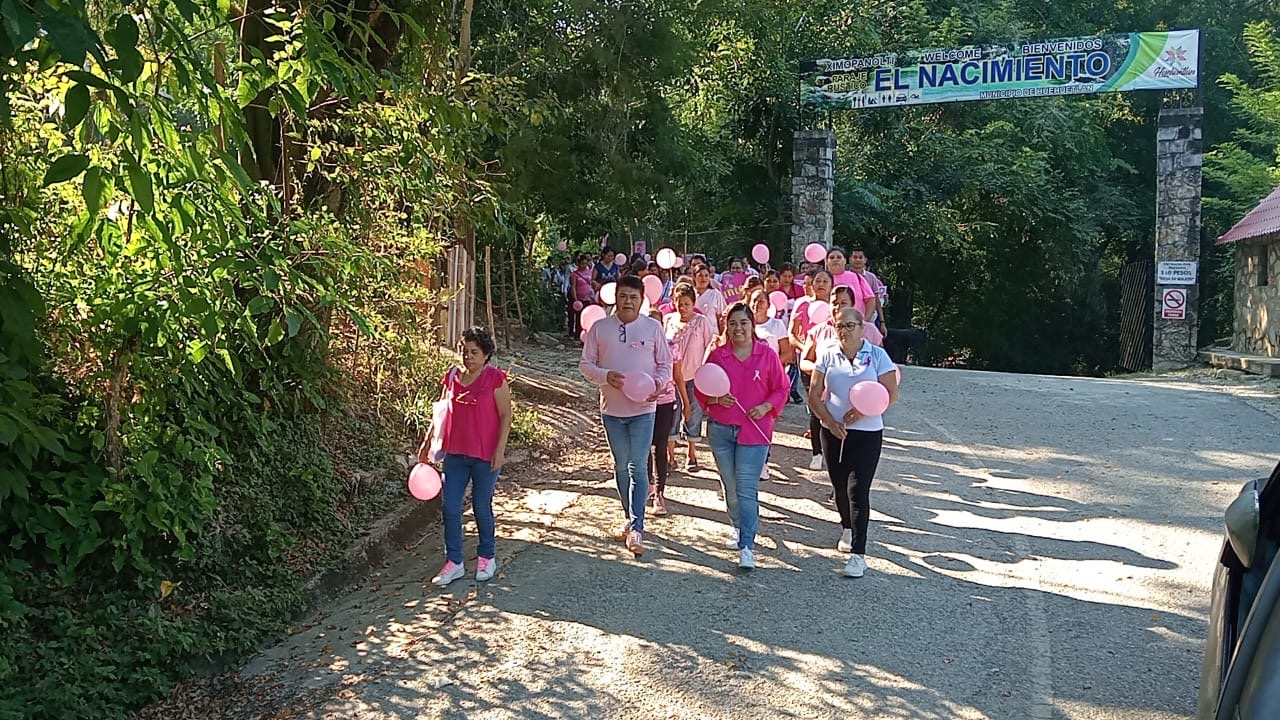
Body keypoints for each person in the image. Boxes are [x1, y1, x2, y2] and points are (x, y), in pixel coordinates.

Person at [580, 276, 673, 556]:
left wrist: (658, 385)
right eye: (623, 296)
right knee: (621, 466)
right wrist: (605, 376)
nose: (628, 301)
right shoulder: (600, 328)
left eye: (633, 297)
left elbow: (665, 363)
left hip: (644, 409)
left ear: (642, 300)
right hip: (611, 409)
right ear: (615, 298)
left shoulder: (652, 327)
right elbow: (586, 365)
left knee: (637, 466)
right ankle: (628, 515)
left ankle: (637, 527)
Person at [696, 303, 789, 570]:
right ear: (727, 327)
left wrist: (766, 406)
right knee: (730, 486)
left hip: (754, 432)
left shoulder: (767, 355)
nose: (738, 328)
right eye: (733, 323)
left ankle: (747, 545)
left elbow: (782, 388)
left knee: (747, 489)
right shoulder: (717, 356)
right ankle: (738, 526)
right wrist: (715, 398)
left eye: (743, 323)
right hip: (721, 430)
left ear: (752, 325)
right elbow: (702, 389)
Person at [807, 307, 898, 578]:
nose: (844, 331)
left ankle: (859, 554)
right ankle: (847, 526)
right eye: (839, 326)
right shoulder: (828, 354)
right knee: (839, 486)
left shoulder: (877, 355)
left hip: (867, 432)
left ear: (861, 327)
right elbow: (813, 394)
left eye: (849, 325)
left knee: (858, 490)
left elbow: (891, 393)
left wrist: (864, 410)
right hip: (833, 430)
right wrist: (829, 422)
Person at [425, 326, 514, 586]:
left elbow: (505, 415)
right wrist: (427, 443)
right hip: (455, 453)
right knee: (450, 507)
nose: (468, 357)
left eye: (474, 352)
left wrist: (500, 451)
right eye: (464, 351)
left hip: (485, 455)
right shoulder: (452, 376)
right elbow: (440, 413)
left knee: (481, 506)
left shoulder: (496, 378)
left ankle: (487, 555)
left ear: (486, 354)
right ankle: (454, 561)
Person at [665, 283, 717, 473]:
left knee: (693, 414)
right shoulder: (668, 320)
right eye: (679, 303)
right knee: (672, 414)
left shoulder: (701, 322)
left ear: (693, 303)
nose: (683, 308)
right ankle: (670, 455)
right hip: (671, 378)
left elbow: (710, 345)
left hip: (695, 376)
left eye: (686, 304)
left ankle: (691, 453)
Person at [789, 269, 833, 470]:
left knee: (833, 405)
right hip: (810, 361)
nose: (821, 284)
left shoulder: (837, 306)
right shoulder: (802, 303)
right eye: (818, 281)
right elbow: (792, 333)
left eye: (825, 281)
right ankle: (817, 452)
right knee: (816, 406)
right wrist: (805, 349)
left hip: (834, 362)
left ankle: (833, 449)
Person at [748, 288, 791, 480]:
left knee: (765, 421)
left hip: (769, 380)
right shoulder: (745, 324)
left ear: (768, 304)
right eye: (754, 300)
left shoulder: (777, 325)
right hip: (746, 379)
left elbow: (787, 353)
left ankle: (764, 461)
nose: (757, 304)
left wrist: (772, 369)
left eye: (761, 301)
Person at [647, 307, 678, 517]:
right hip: (642, 402)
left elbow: (679, 373)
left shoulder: (670, 345)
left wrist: (685, 401)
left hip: (666, 401)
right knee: (643, 447)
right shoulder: (637, 347)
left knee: (659, 447)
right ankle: (647, 488)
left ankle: (659, 493)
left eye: (657, 322)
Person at [826, 247, 878, 322]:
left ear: (845, 261)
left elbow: (870, 299)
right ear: (827, 262)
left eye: (839, 257)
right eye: (832, 257)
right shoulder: (822, 279)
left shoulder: (856, 277)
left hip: (857, 325)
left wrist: (865, 320)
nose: (835, 259)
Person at [849, 248, 888, 332]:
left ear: (865, 260)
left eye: (860, 257)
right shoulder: (845, 276)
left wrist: (882, 322)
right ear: (849, 260)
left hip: (869, 320)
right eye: (855, 257)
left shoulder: (871, 277)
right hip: (849, 318)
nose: (857, 260)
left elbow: (877, 300)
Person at [692, 264, 727, 331]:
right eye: (700, 275)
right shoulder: (690, 294)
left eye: (706, 275)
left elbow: (722, 317)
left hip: (713, 334)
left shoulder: (715, 294)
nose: (703, 278)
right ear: (694, 277)